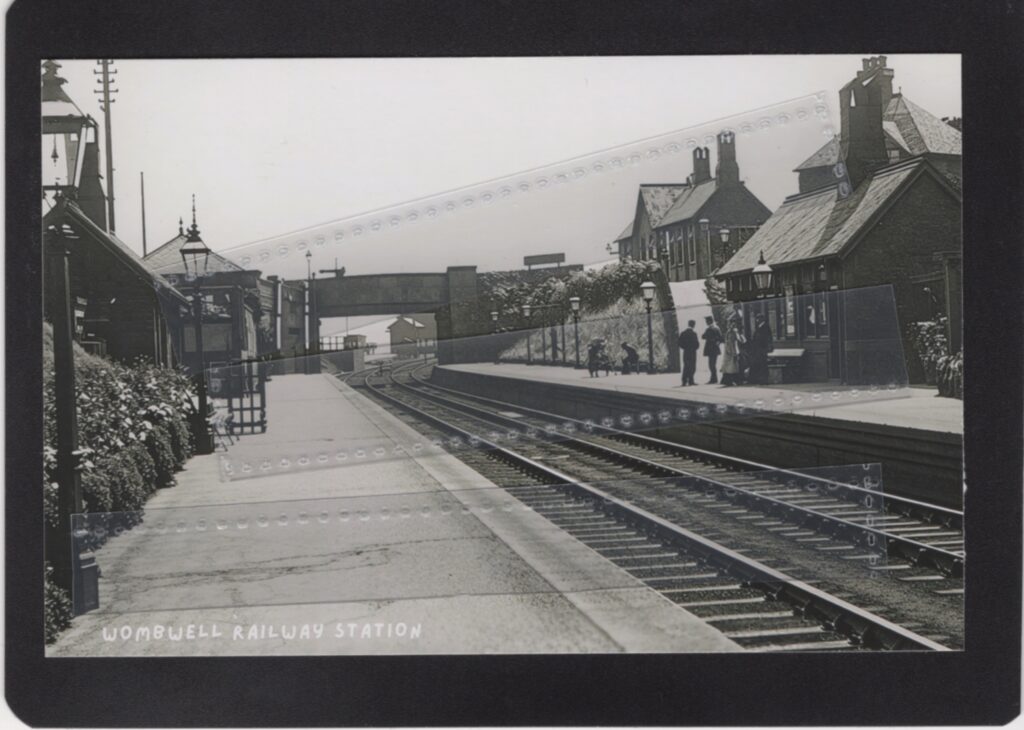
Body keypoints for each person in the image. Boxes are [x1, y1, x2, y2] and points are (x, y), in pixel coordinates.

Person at [747, 314, 774, 384]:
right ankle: (757, 379)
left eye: (758, 319)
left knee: (763, 364)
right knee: (758, 364)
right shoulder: (759, 327)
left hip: (762, 349)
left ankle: (763, 380)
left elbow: (767, 338)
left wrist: (766, 348)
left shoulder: (765, 327)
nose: (757, 320)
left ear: (761, 319)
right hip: (757, 349)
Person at [720, 319, 746, 386]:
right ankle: (731, 380)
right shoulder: (729, 332)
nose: (729, 325)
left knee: (732, 366)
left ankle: (733, 380)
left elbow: (742, 341)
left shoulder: (733, 332)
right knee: (730, 366)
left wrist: (740, 334)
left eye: (731, 324)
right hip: (729, 351)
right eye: (729, 324)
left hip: (732, 351)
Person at [701, 315, 723, 384]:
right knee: (712, 364)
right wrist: (717, 342)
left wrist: (713, 340)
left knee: (711, 364)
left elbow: (703, 336)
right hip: (714, 349)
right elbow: (720, 338)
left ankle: (714, 379)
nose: (706, 322)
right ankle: (714, 378)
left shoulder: (710, 329)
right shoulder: (716, 328)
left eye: (707, 321)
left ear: (710, 321)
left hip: (711, 349)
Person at [678, 319, 699, 385]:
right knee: (692, 366)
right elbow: (697, 344)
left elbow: (679, 343)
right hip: (692, 352)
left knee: (686, 366)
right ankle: (691, 380)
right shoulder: (694, 334)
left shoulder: (683, 333)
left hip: (686, 351)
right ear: (694, 325)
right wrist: (694, 348)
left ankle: (684, 381)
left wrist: (684, 347)